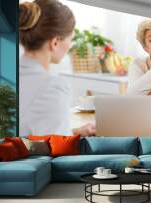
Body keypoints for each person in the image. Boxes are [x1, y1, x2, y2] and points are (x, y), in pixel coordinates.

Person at [19, 0, 95, 136]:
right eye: (70, 39)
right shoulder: (52, 86)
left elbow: (31, 139)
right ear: (55, 42)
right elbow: (58, 151)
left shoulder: (10, 75)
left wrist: (75, 133)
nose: (70, 45)